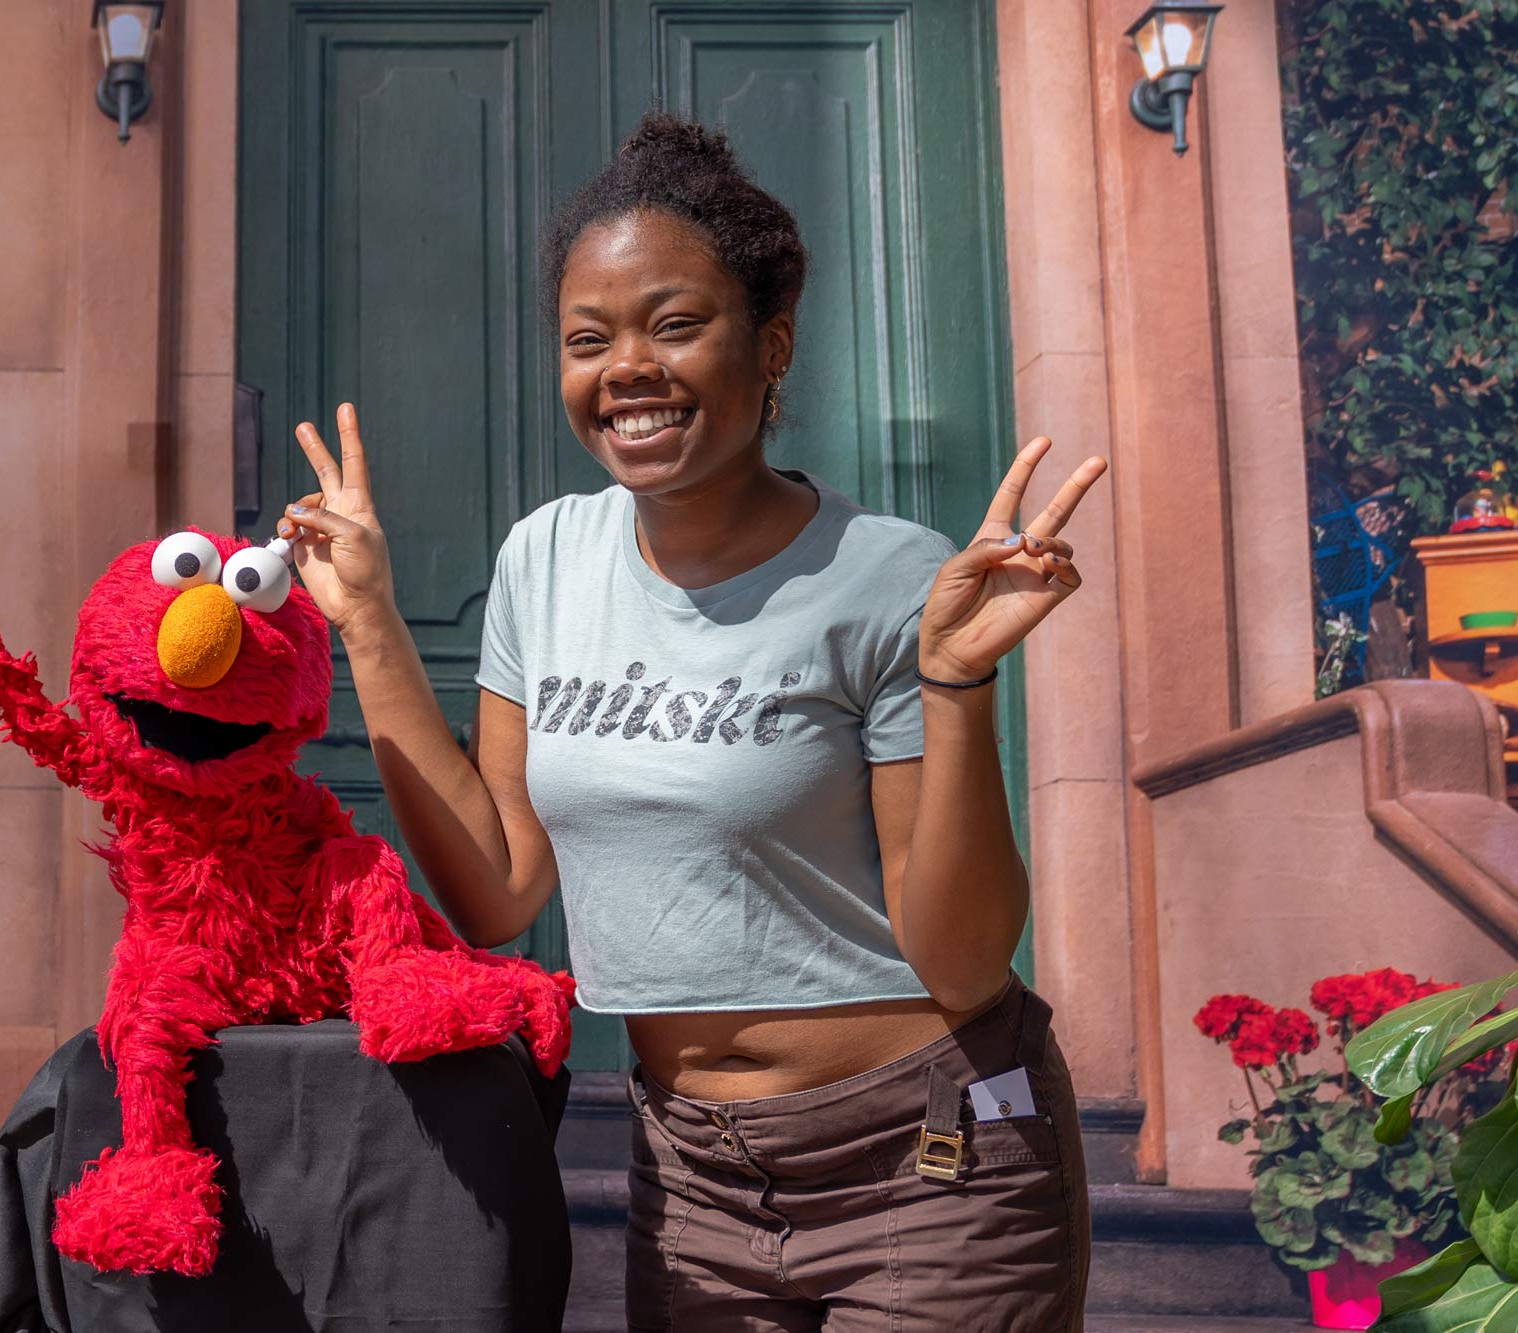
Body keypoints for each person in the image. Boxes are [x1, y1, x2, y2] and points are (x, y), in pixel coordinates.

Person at [276, 112, 1105, 1332]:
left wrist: (954, 683)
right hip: (694, 1180)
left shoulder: (887, 576)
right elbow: (499, 890)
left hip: (931, 1162)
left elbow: (964, 961)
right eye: (587, 338)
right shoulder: (544, 560)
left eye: (674, 324)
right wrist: (367, 623)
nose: (626, 367)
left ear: (770, 347)